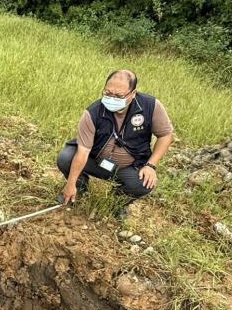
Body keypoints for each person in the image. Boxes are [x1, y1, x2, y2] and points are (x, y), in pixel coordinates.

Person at [57, 70, 174, 213]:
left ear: (133, 93)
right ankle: (79, 189)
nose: (112, 98)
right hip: (96, 161)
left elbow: (166, 135)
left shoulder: (150, 106)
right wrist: (70, 184)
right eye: (107, 93)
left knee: (143, 183)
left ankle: (115, 203)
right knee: (66, 158)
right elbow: (83, 152)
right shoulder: (93, 113)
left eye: (118, 96)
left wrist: (151, 165)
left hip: (128, 167)